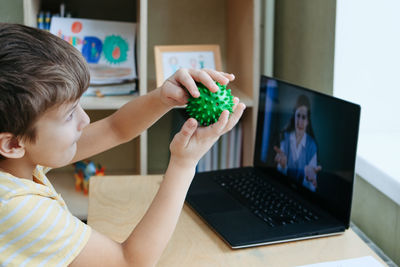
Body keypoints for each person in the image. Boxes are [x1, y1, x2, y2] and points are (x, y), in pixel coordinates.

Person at [0, 23, 245, 266]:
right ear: (11, 143)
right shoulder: (18, 207)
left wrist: (163, 97)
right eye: (69, 114)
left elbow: (114, 129)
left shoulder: (19, 163)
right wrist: (184, 164)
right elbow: (129, 263)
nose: (85, 120)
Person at [273, 94, 321, 192]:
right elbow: (278, 179)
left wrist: (309, 179)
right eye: (298, 116)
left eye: (303, 117)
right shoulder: (284, 139)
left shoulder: (312, 146)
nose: (300, 121)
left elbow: (312, 188)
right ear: (294, 117)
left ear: (307, 121)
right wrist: (282, 167)